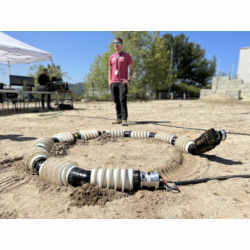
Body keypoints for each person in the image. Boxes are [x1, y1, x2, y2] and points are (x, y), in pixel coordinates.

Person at [108, 37, 134, 126]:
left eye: (118, 43)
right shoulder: (111, 57)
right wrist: (109, 80)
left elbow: (132, 69)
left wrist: (129, 79)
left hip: (123, 81)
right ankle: (118, 118)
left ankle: (124, 119)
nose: (116, 45)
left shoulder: (127, 56)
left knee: (122, 99)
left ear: (122, 45)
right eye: (114, 43)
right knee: (116, 100)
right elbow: (110, 69)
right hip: (113, 82)